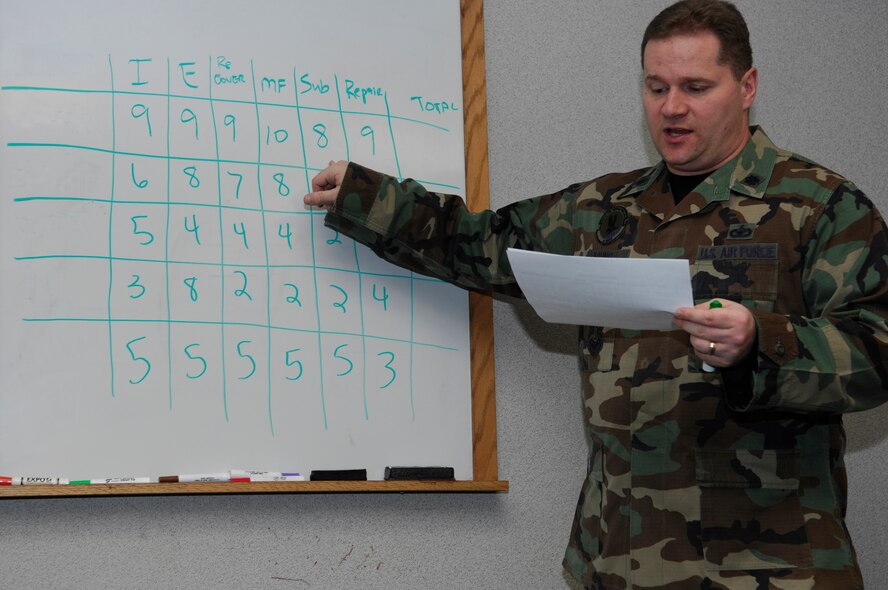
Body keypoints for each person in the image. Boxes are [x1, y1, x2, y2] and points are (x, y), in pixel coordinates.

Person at [304, 0, 888, 587]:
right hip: (620, 559)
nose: (672, 107)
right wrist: (365, 197)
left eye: (695, 86)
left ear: (746, 86)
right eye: (656, 87)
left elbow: (876, 351)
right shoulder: (599, 212)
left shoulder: (820, 207)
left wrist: (761, 342)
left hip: (770, 567)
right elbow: (478, 242)